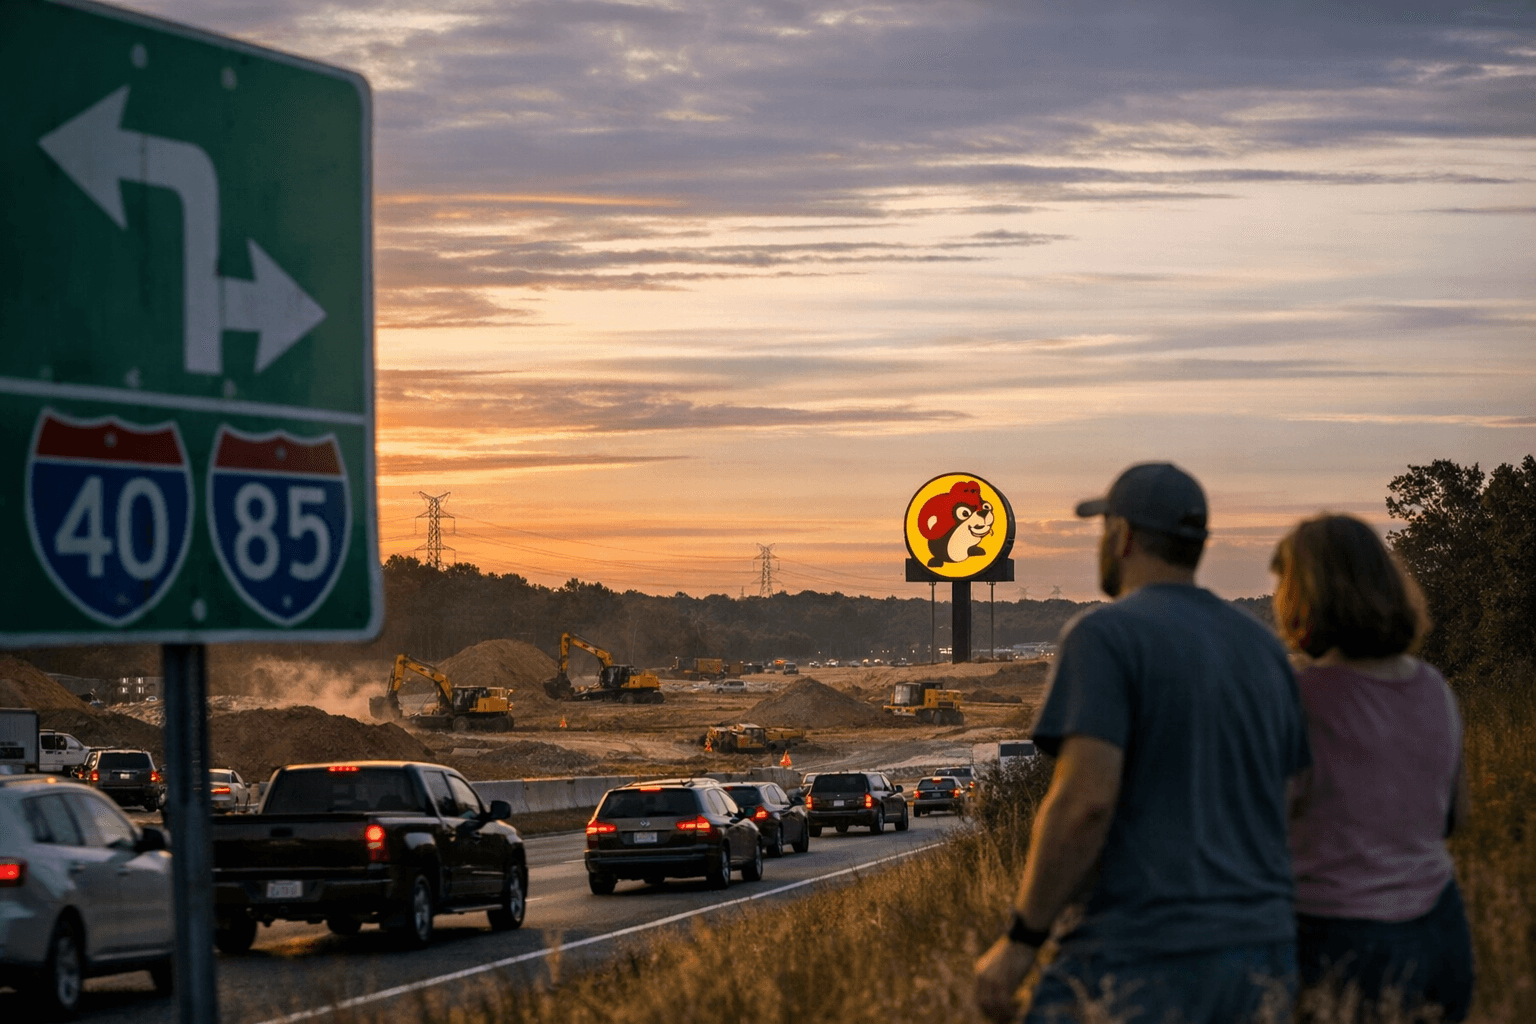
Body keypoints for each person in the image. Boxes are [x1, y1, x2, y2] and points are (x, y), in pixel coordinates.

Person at [975, 462, 1311, 1024]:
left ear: (1122, 536)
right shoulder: (1264, 648)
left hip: (1139, 953)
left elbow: (1084, 803)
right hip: (1264, 952)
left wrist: (1020, 942)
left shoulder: (1104, 636)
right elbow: (1295, 797)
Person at [1271, 514, 1474, 1022]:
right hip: (1440, 933)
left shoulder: (1301, 697)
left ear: (1304, 593)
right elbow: (1455, 816)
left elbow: (1262, 827)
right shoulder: (1432, 686)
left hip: (1336, 939)